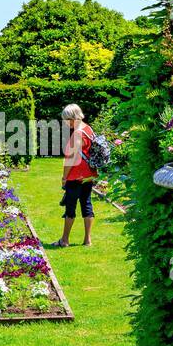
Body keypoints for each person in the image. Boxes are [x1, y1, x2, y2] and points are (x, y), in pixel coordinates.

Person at [53, 103, 96, 247]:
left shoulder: (77, 133)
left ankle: (64, 240)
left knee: (70, 207)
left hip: (76, 175)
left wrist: (64, 177)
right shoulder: (88, 129)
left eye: (66, 120)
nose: (65, 123)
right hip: (88, 175)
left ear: (72, 118)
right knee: (87, 204)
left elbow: (71, 159)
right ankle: (87, 239)